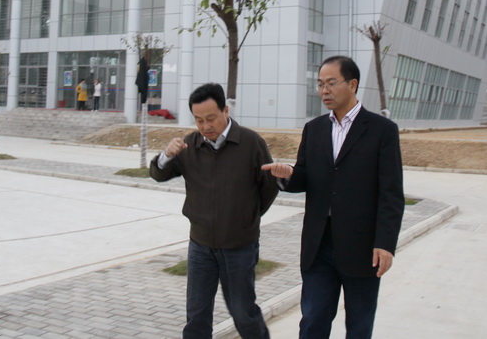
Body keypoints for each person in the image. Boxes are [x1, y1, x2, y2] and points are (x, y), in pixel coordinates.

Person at [262, 55, 404, 338]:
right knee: (312, 321)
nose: (324, 90)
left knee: (359, 326)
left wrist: (385, 243)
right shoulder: (314, 129)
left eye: (331, 83)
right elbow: (305, 176)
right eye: (320, 84)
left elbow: (391, 193)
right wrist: (287, 174)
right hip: (319, 245)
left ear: (352, 84)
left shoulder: (382, 130)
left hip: (362, 247)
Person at [150, 83, 278, 339]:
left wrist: (246, 218)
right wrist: (166, 155)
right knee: (196, 315)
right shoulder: (189, 145)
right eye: (199, 120)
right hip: (201, 246)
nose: (205, 126)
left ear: (225, 111)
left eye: (211, 118)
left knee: (243, 313)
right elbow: (158, 174)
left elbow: (269, 187)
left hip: (239, 246)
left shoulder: (251, 143)